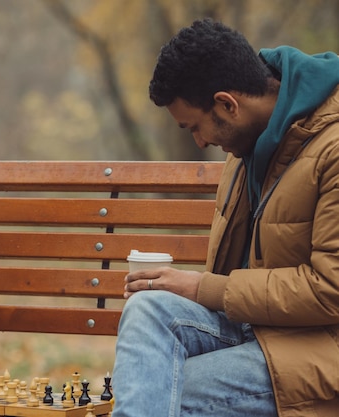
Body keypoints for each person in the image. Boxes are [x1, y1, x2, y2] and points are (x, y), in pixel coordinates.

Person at [111, 18, 339, 417]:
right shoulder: (244, 146)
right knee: (148, 309)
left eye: (195, 127)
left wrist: (202, 288)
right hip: (254, 328)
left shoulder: (331, 148)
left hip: (318, 347)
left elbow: (331, 290)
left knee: (162, 389)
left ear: (227, 104)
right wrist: (178, 288)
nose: (199, 142)